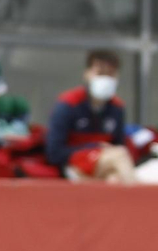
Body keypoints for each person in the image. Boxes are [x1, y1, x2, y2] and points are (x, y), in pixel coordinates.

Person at [46, 49, 128, 178]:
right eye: (100, 73)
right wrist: (94, 148)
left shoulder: (117, 107)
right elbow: (54, 153)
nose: (105, 79)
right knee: (119, 156)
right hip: (74, 165)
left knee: (115, 178)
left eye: (110, 74)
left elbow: (118, 144)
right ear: (87, 74)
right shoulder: (68, 104)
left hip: (104, 165)